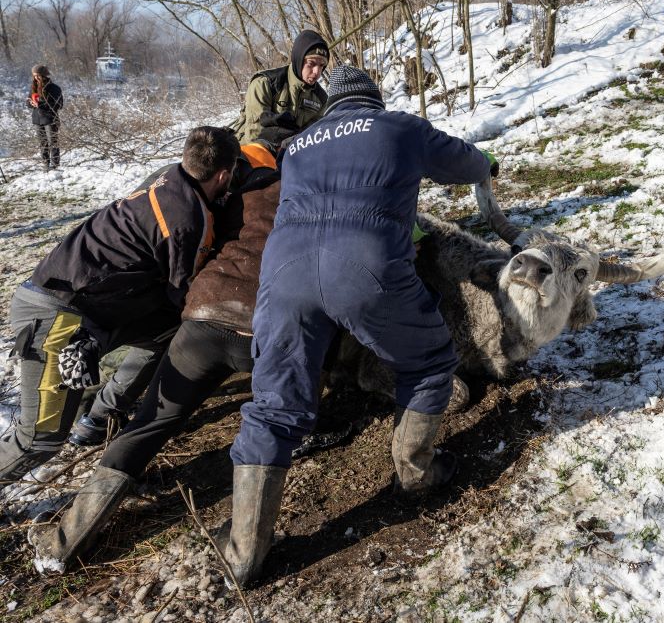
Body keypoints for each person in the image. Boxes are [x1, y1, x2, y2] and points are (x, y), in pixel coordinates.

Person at [222, 65, 494, 585]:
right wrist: (487, 164)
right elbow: (463, 161)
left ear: (331, 107)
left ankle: (244, 552)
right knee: (430, 360)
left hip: (283, 273)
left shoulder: (299, 145)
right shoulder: (398, 126)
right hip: (365, 265)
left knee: (275, 401)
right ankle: (416, 474)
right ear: (374, 100)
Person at [30, 129, 288, 571]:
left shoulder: (229, 199)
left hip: (201, 319)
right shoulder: (309, 194)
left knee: (149, 424)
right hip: (259, 329)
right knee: (273, 419)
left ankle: (64, 542)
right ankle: (243, 553)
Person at [0, 127, 239, 486]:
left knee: (168, 334)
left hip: (82, 303)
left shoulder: (166, 177)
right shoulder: (189, 222)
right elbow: (185, 293)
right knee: (40, 439)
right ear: (224, 174)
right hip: (57, 318)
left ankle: (101, 416)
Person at [230, 30, 329, 144]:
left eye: (322, 65)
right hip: (250, 154)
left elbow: (314, 138)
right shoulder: (265, 83)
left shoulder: (321, 99)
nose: (317, 71)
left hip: (293, 155)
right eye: (311, 64)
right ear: (299, 60)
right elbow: (254, 136)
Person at [28, 65, 64, 170]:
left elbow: (59, 105)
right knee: (42, 143)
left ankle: (55, 164)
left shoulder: (54, 88)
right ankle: (45, 164)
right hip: (37, 119)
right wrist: (31, 103)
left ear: (44, 75)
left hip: (50, 119)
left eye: (38, 76)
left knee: (52, 141)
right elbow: (27, 101)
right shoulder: (33, 87)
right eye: (34, 76)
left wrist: (40, 104)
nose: (36, 78)